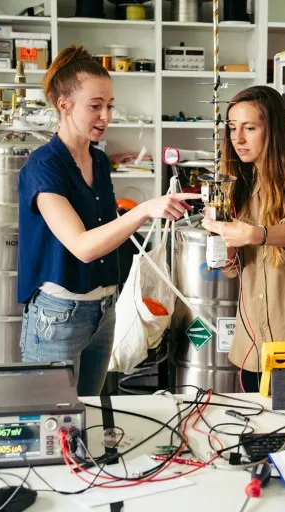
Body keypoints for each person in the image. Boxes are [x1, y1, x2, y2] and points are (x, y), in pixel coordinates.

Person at [17, 45, 199, 396]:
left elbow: (105, 232)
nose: (106, 115)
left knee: (92, 418)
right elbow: (83, 246)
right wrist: (144, 211)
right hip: (58, 316)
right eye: (95, 106)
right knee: (55, 424)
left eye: (109, 105)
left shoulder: (98, 161)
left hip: (104, 310)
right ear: (64, 105)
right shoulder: (42, 167)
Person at [201, 86, 285, 392]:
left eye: (249, 128)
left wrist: (253, 233)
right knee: (260, 429)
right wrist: (220, 241)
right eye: (233, 128)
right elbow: (236, 268)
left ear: (273, 129)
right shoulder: (242, 186)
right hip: (252, 347)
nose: (238, 138)